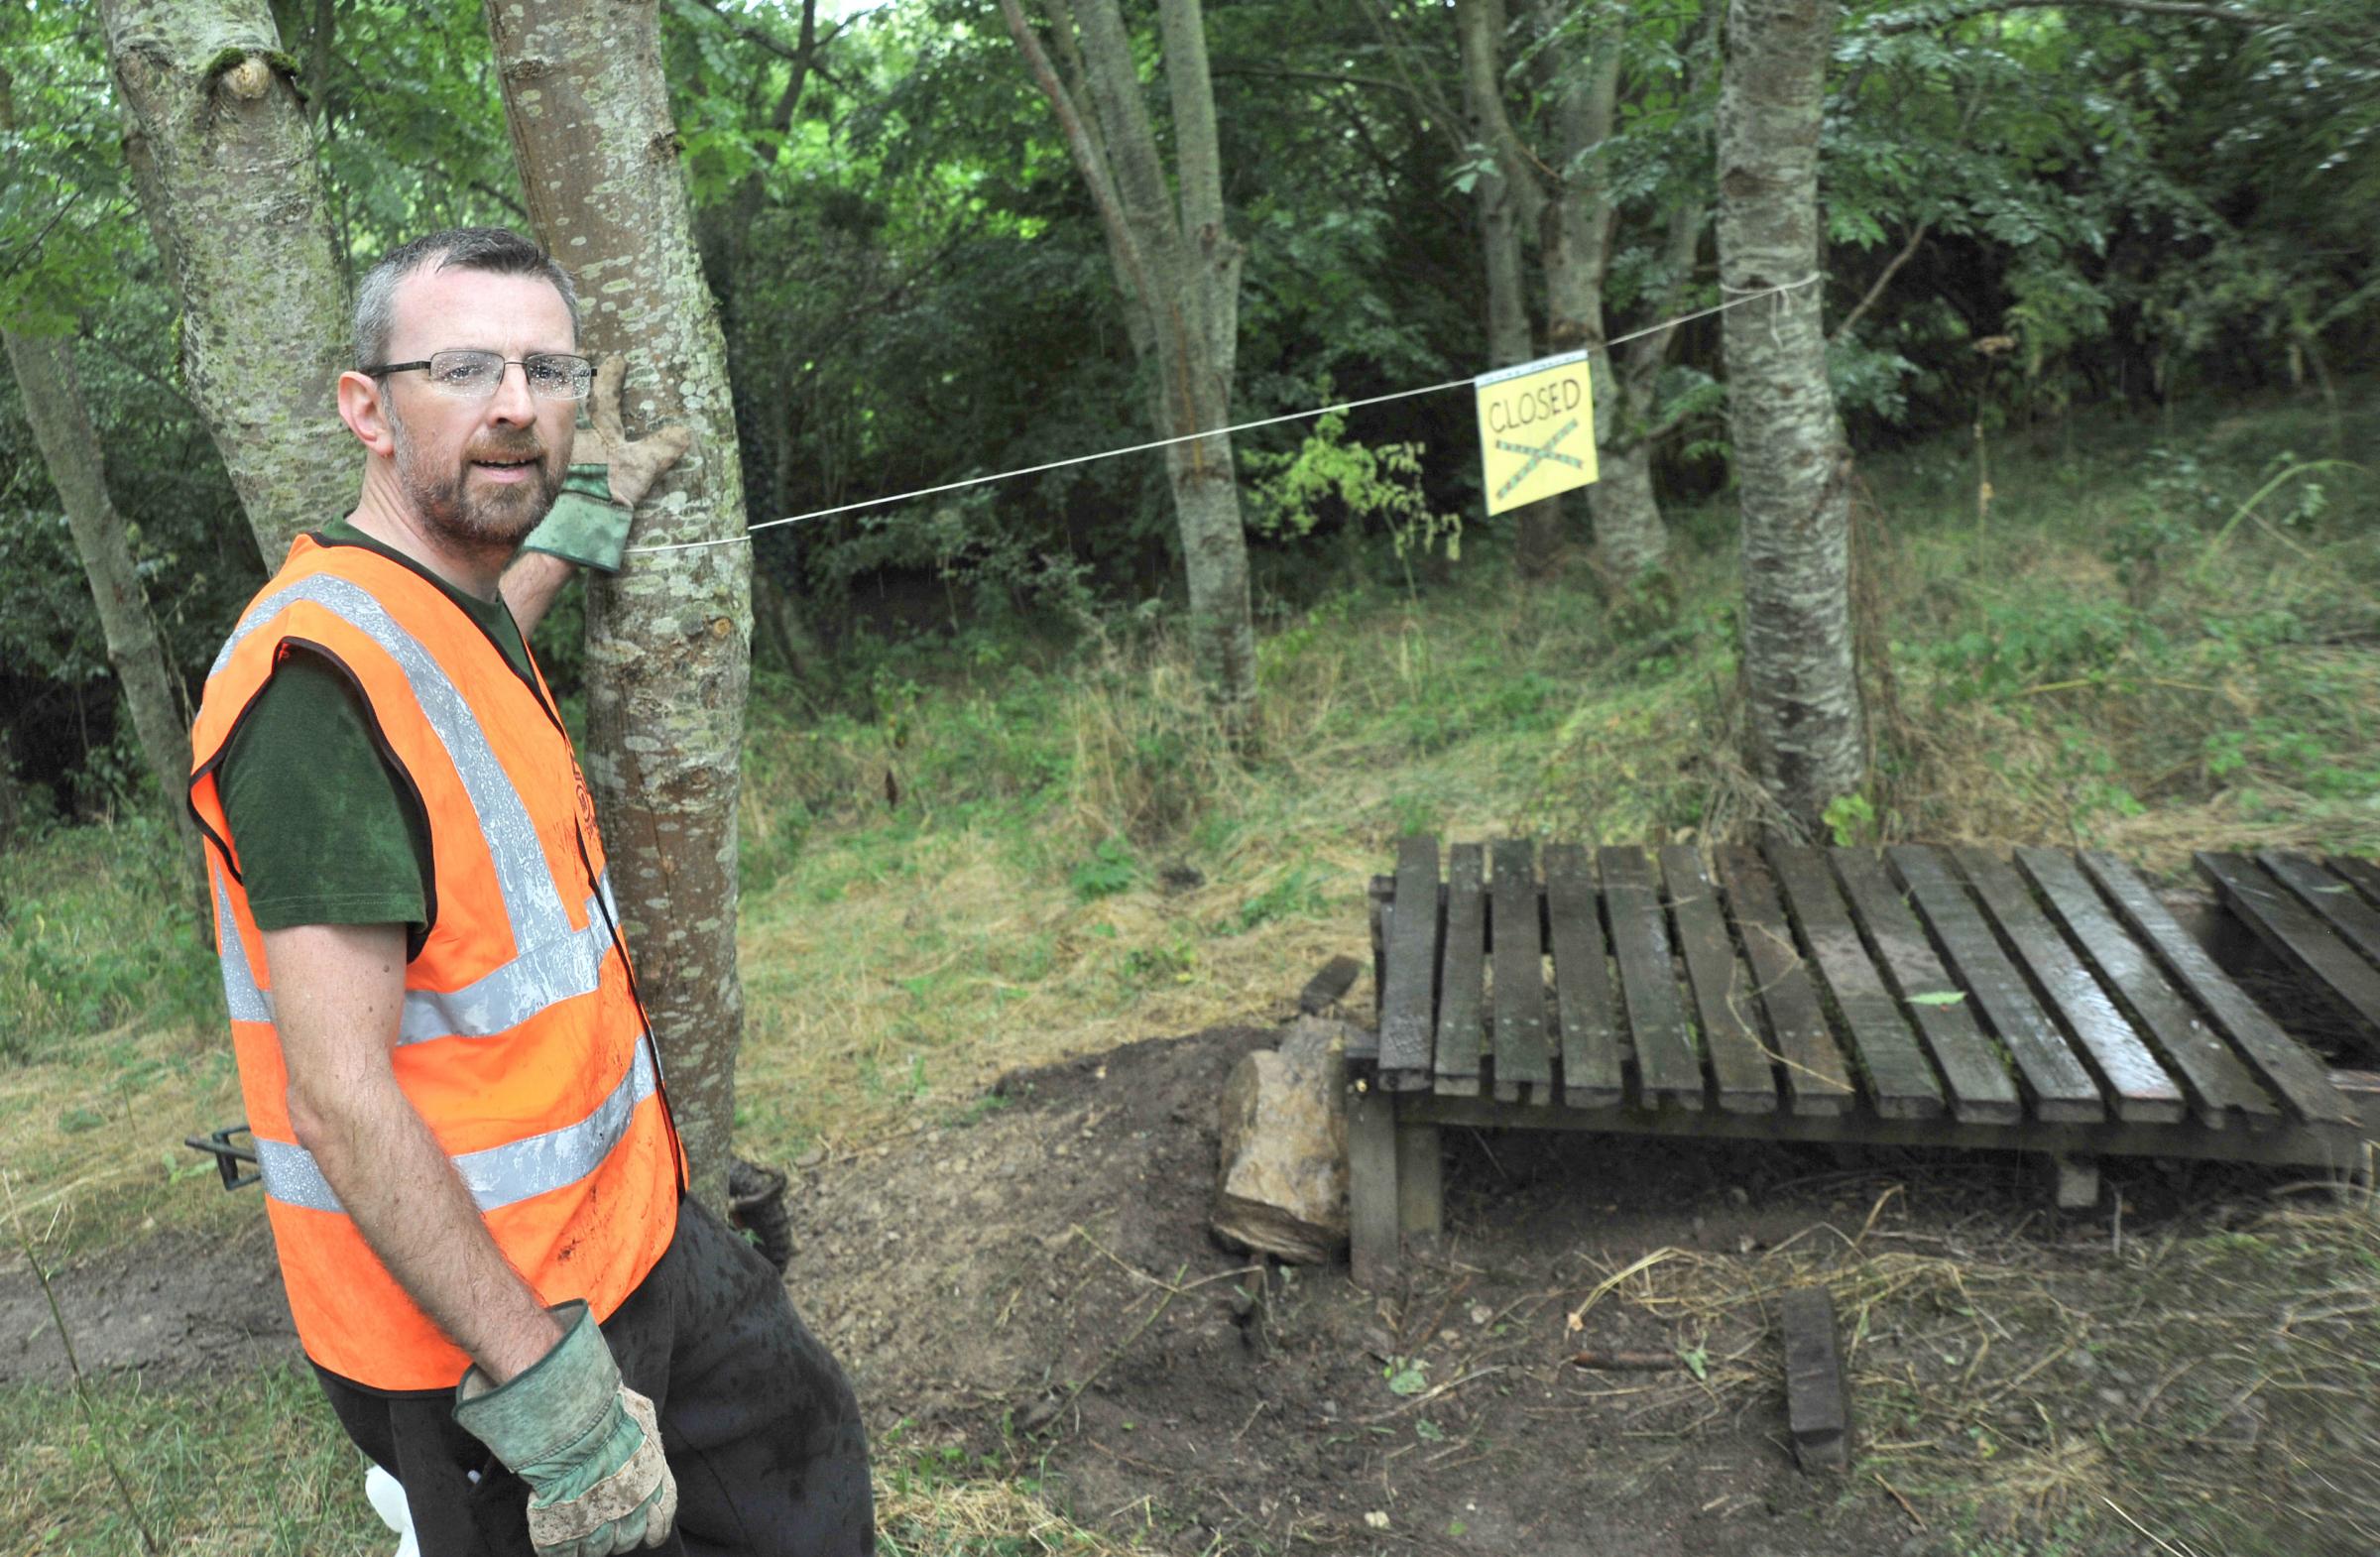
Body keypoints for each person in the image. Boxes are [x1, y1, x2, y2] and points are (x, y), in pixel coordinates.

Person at [187, 227, 874, 1556]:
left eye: (546, 370)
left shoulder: (444, 600)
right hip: (479, 1343)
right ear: (366, 409)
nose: (516, 402)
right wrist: (552, 1402)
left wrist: (609, 484)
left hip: (627, 1239)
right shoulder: (314, 685)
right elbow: (338, 1094)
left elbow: (519, 592)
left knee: (803, 1460)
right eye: (465, 367)